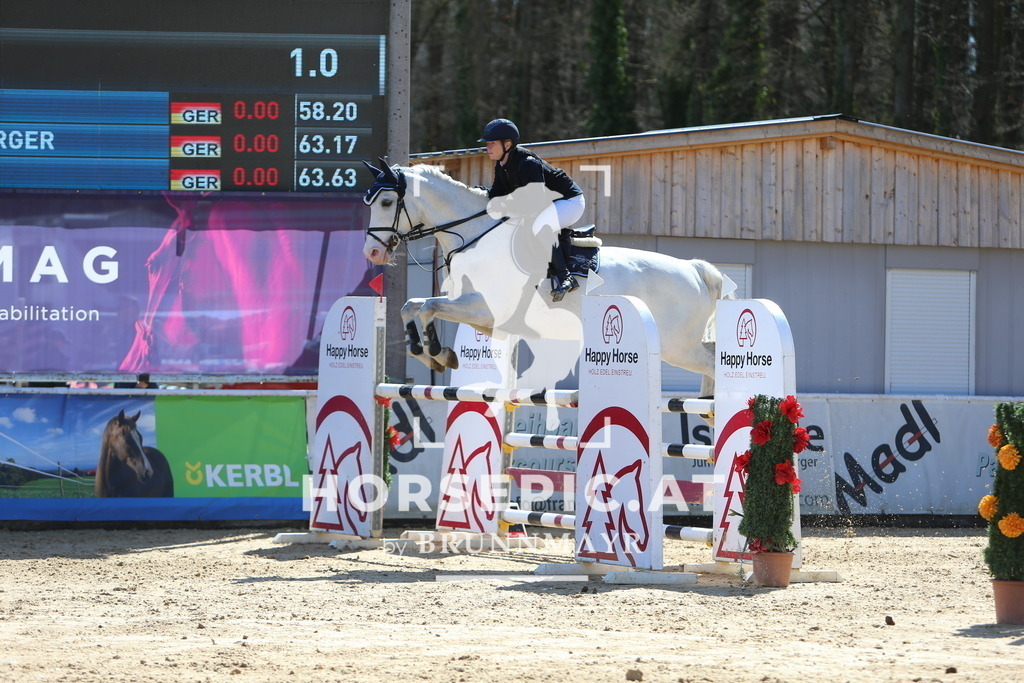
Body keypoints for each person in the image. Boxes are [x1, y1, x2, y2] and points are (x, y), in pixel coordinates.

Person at [478, 118, 587, 302]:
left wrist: (507, 205)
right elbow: (496, 193)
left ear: (508, 144)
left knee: (539, 223)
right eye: (487, 144)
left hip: (569, 201)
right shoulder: (501, 165)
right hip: (548, 203)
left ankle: (565, 276)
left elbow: (536, 202)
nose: (487, 148)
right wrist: (476, 192)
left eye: (492, 143)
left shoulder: (527, 163)